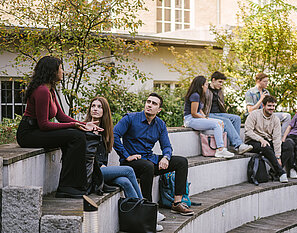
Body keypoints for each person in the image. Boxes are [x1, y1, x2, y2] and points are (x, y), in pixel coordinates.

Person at [16, 56, 102, 198]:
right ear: (52, 71)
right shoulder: (42, 91)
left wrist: (85, 124)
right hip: (28, 134)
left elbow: (61, 117)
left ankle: (75, 184)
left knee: (77, 134)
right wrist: (74, 125)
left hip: (37, 130)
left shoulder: (51, 90)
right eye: (61, 68)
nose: (63, 71)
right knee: (75, 136)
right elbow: (44, 125)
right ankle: (68, 187)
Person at [113, 93, 194, 231]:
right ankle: (149, 209)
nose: (149, 105)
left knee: (181, 162)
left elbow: (167, 146)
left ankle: (177, 203)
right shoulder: (130, 119)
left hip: (149, 159)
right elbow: (114, 135)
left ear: (159, 110)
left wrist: (165, 157)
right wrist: (126, 155)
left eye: (154, 103)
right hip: (132, 163)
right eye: (148, 101)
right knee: (147, 167)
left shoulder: (160, 124)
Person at [85, 96, 143, 198]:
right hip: (92, 172)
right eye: (93, 106)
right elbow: (84, 155)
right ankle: (144, 206)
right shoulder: (85, 129)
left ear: (105, 111)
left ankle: (139, 208)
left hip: (102, 171)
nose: (95, 109)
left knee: (125, 181)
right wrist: (99, 164)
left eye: (99, 107)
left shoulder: (105, 132)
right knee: (129, 170)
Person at [184, 76, 235, 158]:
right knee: (216, 124)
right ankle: (220, 149)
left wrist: (205, 117)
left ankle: (216, 147)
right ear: (201, 85)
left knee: (220, 122)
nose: (207, 87)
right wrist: (204, 119)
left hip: (195, 118)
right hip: (190, 119)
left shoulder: (199, 95)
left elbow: (199, 110)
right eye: (206, 85)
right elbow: (193, 113)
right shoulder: (195, 95)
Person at [203, 71, 253, 154]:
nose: (221, 84)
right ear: (213, 80)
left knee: (236, 118)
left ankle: (235, 146)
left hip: (218, 113)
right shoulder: (206, 89)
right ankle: (238, 144)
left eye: (222, 83)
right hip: (208, 114)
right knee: (225, 121)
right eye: (219, 82)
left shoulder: (219, 91)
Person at [244, 95, 289, 183]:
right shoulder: (254, 114)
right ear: (263, 106)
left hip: (267, 140)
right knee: (266, 146)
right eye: (269, 106)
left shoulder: (275, 119)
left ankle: (274, 172)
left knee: (288, 145)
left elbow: (276, 138)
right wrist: (260, 139)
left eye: (273, 106)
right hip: (253, 141)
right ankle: (281, 172)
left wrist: (278, 156)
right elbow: (248, 131)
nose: (271, 108)